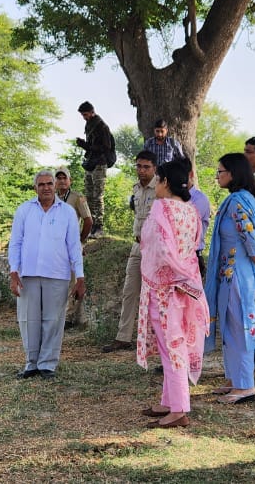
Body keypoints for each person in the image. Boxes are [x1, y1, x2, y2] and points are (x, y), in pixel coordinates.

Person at [135, 158, 209, 428]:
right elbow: (191, 247)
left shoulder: (160, 208)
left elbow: (157, 246)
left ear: (165, 182)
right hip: (185, 286)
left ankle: (178, 409)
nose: (155, 184)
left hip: (164, 288)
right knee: (174, 345)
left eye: (158, 179)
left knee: (172, 347)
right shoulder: (189, 210)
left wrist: (167, 272)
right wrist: (184, 276)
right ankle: (169, 401)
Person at [8, 170, 86, 380]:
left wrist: (80, 277)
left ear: (55, 186)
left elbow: (74, 246)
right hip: (28, 274)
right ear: (35, 188)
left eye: (49, 183)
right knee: (28, 319)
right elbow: (15, 243)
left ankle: (48, 364)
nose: (46, 188)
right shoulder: (24, 210)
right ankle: (31, 363)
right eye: (41, 184)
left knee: (53, 320)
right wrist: (14, 271)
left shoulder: (67, 212)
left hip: (57, 274)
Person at [204, 153, 255, 404]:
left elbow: (252, 243)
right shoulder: (235, 200)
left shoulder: (240, 201)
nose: (217, 176)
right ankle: (233, 379)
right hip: (229, 277)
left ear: (233, 173)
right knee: (229, 329)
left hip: (240, 278)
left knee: (240, 329)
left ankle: (245, 385)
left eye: (220, 171)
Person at [101, 151, 159, 353]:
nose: (141, 170)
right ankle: (123, 337)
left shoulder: (161, 188)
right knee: (129, 291)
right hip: (137, 245)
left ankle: (155, 340)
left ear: (154, 168)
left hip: (155, 248)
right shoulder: (135, 188)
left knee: (154, 295)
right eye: (139, 166)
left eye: (146, 167)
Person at [56, 167, 93, 328]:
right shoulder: (52, 198)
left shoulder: (77, 198)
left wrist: (80, 241)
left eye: (65, 178)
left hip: (71, 244)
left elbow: (88, 220)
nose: (62, 181)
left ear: (70, 180)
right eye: (59, 178)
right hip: (55, 246)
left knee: (73, 280)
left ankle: (69, 318)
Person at [76, 101, 115, 239]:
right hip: (91, 163)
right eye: (82, 115)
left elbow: (106, 147)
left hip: (100, 164)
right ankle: (91, 224)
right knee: (89, 196)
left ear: (92, 112)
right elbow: (93, 146)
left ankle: (99, 226)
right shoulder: (89, 124)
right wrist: (85, 145)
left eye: (85, 114)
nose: (84, 117)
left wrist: (87, 145)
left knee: (98, 195)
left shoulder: (101, 126)